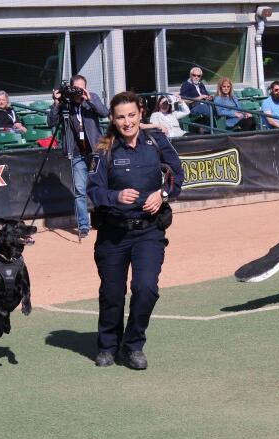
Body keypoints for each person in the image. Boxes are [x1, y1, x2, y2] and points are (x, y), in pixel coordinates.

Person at [87, 91, 185, 370]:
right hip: (113, 234)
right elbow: (92, 190)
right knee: (112, 293)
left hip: (148, 232)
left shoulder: (157, 141)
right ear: (113, 119)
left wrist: (163, 193)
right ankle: (107, 345)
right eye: (121, 117)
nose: (127, 122)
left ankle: (133, 345)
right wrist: (115, 197)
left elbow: (178, 175)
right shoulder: (103, 150)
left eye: (131, 115)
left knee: (146, 289)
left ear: (140, 114)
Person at [47, 74, 109, 238]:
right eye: (76, 88)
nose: (78, 91)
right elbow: (51, 122)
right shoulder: (65, 103)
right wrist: (56, 103)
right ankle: (83, 225)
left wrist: (89, 100)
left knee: (99, 186)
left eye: (82, 88)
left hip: (95, 151)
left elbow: (105, 113)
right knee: (80, 190)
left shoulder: (92, 98)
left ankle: (104, 219)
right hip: (76, 153)